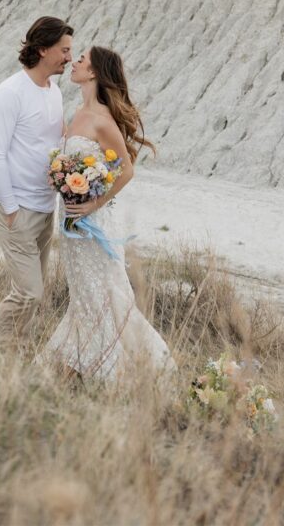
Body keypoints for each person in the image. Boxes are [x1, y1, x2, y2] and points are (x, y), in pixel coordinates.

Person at [41, 45, 176, 381]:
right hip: (69, 217)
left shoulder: (101, 118)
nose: (75, 61)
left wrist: (93, 203)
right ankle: (76, 367)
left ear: (95, 73)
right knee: (83, 295)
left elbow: (126, 169)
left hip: (91, 222)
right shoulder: (78, 111)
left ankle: (117, 371)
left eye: (82, 59)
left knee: (101, 293)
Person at [0, 16, 73, 340]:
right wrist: (9, 209)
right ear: (42, 49)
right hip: (16, 206)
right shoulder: (10, 92)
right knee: (28, 293)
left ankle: (15, 352)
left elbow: (57, 140)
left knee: (34, 291)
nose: (68, 57)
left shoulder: (54, 91)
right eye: (63, 50)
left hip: (44, 206)